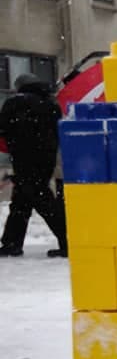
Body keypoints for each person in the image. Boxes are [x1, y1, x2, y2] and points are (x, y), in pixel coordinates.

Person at [0, 78, 67, 257]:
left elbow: (3, 129)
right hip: (45, 159)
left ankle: (69, 240)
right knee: (22, 200)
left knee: (42, 201)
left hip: (23, 158)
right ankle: (11, 243)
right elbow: (58, 130)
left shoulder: (14, 103)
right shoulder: (51, 104)